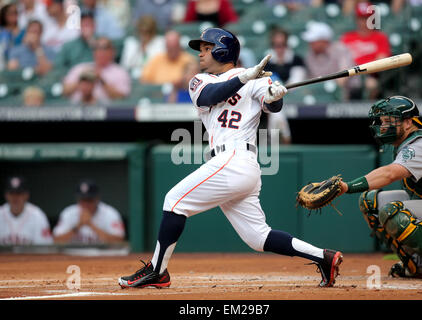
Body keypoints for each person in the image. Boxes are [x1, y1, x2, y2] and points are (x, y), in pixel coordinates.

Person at [118, 27, 343, 289]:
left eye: (206, 48)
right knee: (258, 237)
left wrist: (274, 97)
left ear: (222, 50)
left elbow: (272, 105)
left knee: (174, 201)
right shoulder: (200, 81)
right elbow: (210, 96)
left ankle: (158, 271)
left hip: (235, 158)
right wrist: (245, 78)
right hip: (232, 164)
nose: (200, 54)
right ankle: (324, 257)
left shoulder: (258, 79)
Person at [335, 96, 422, 282]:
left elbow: (389, 174)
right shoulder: (409, 143)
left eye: (389, 121)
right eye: (382, 121)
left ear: (408, 123)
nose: (382, 126)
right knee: (370, 201)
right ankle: (419, 265)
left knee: (393, 211)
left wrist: (348, 186)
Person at [340, 1, 391, 99]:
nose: (363, 22)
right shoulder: (347, 37)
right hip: (348, 75)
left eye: (366, 18)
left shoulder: (380, 37)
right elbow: (340, 59)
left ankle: (368, 112)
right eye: (361, 18)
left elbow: (382, 60)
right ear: (356, 19)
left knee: (371, 84)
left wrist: (361, 69)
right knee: (339, 82)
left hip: (369, 75)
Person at [302, 21, 362, 100]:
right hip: (320, 95)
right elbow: (309, 82)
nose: (310, 43)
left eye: (314, 41)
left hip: (348, 94)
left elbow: (343, 77)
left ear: (323, 41)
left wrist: (330, 89)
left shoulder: (340, 49)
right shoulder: (309, 55)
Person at [53, 179, 125, 244]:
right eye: (82, 200)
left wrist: (91, 224)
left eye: (89, 200)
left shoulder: (110, 213)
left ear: (97, 198)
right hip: (73, 256)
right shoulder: (68, 213)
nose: (86, 204)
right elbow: (56, 240)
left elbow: (119, 240)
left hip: (102, 256)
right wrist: (79, 225)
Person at [62, 37, 131, 105]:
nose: (100, 51)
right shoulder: (80, 68)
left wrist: (101, 80)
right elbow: (65, 92)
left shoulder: (120, 72)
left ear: (112, 51)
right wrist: (82, 79)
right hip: (75, 110)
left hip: (107, 111)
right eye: (97, 48)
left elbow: (122, 97)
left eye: (105, 48)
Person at [0, 175, 53, 245]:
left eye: (19, 193)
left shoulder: (38, 216)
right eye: (12, 193)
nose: (15, 197)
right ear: (6, 195)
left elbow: (46, 248)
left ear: (26, 195)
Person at [120, 15, 165, 79]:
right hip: (132, 78)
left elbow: (160, 65)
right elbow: (125, 66)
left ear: (153, 31)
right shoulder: (131, 43)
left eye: (148, 32)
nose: (144, 35)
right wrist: (139, 49)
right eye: (141, 31)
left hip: (152, 77)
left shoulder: (161, 42)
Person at [0, 3, 26, 70]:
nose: (14, 15)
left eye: (16, 13)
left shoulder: (24, 32)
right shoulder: (1, 32)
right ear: (4, 15)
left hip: (19, 64)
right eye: (10, 13)